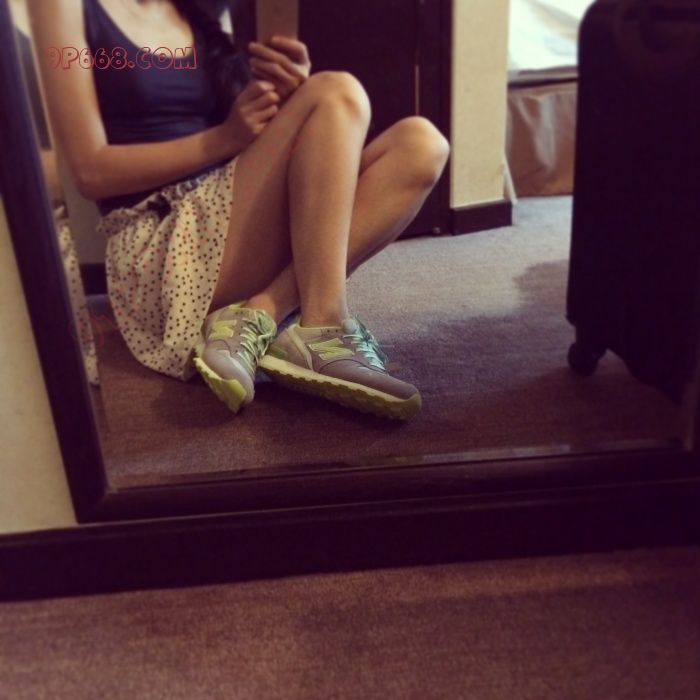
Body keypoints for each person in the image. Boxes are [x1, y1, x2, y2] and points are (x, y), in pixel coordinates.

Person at [28, 0, 450, 420]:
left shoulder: (196, 12)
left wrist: (287, 95)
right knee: (336, 92)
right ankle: (324, 325)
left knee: (420, 145)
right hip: (163, 246)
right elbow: (89, 172)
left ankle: (264, 310)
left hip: (229, 211)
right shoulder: (62, 6)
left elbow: (247, 138)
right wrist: (226, 138)